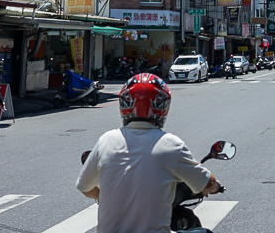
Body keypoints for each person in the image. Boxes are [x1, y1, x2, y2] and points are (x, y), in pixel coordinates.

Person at [76, 73, 221, 233]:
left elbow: (85, 187)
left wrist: (109, 198)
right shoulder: (171, 145)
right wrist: (214, 186)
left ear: (124, 104)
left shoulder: (106, 140)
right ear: (162, 106)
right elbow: (207, 183)